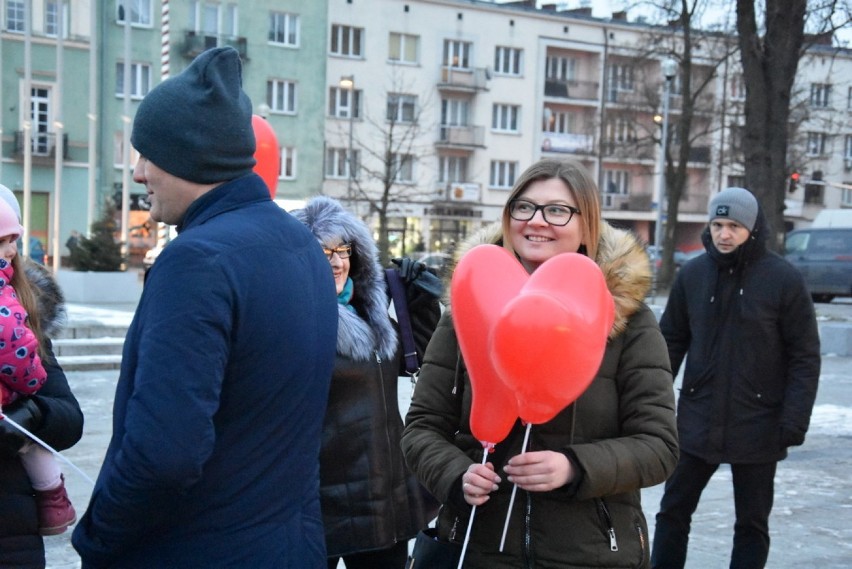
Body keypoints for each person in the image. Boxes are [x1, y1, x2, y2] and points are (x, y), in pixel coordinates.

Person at [71, 47, 339, 568]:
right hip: (290, 547)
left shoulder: (196, 261)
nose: (140, 172)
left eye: (147, 153)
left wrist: (97, 539)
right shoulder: (300, 243)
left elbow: (164, 454)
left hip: (198, 549)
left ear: (188, 155)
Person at [401, 157, 679, 568]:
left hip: (591, 555)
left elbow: (659, 447)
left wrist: (574, 467)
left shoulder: (628, 321)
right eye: (524, 206)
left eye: (558, 210)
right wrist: (456, 474)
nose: (537, 221)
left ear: (587, 225)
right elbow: (422, 428)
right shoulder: (467, 309)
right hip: (479, 548)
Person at [650, 187, 821, 569]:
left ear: (753, 228)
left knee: (751, 524)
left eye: (734, 226)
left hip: (759, 424)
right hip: (696, 421)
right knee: (672, 513)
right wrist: (653, 405)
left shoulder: (784, 280)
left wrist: (793, 420)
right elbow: (669, 344)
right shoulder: (692, 275)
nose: (724, 234)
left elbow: (804, 357)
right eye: (717, 224)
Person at [292, 196, 442, 569]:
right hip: (320, 504)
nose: (337, 261)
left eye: (343, 250)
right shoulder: (289, 321)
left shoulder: (370, 317)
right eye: (323, 250)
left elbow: (416, 361)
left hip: (384, 498)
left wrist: (422, 305)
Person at [0, 186, 84, 565]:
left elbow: (69, 418)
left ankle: (53, 497)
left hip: (11, 535)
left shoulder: (25, 322)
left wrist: (31, 417)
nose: (11, 250)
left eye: (12, 239)